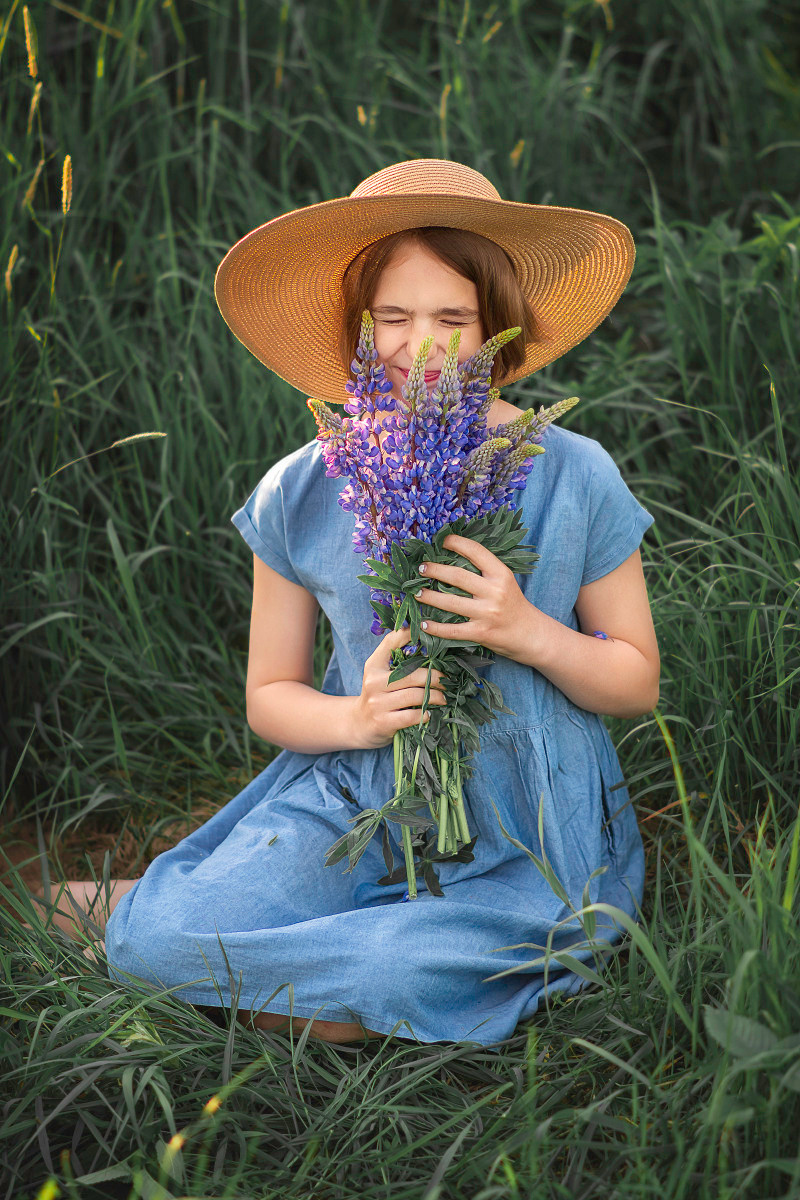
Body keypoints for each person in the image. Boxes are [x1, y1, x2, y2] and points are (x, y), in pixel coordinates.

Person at [44, 160, 660, 1047]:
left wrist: (530, 632)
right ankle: (198, 937)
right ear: (358, 330)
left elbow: (636, 681)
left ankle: (261, 959)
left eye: (453, 319)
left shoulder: (574, 471)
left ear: (497, 327)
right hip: (355, 797)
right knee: (155, 944)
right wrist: (360, 718)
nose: (423, 346)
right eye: (393, 318)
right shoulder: (303, 484)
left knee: (387, 974)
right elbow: (270, 696)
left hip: (529, 819)